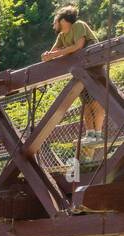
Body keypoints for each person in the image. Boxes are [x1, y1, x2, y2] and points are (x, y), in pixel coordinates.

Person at [42, 6, 107, 147]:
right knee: (86, 104)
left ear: (63, 20)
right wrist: (47, 55)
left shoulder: (78, 25)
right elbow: (53, 53)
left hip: (93, 67)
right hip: (80, 71)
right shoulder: (62, 36)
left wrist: (55, 54)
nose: (54, 24)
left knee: (96, 101)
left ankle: (98, 134)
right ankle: (90, 134)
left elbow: (79, 45)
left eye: (56, 20)